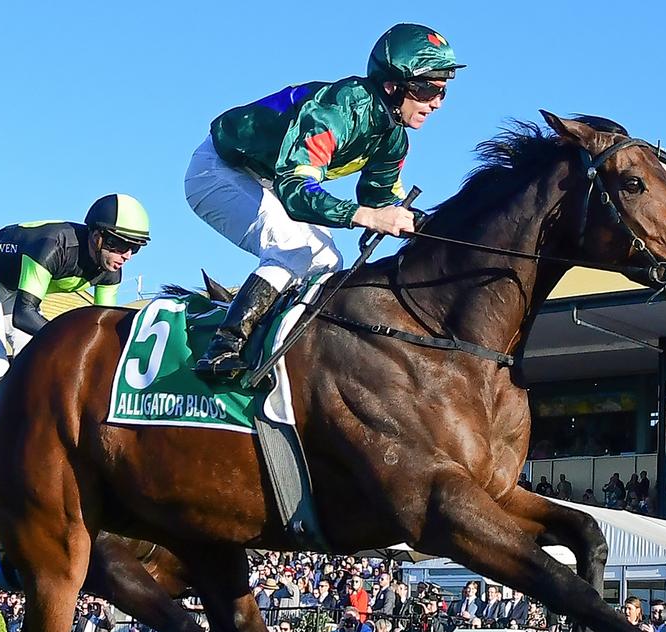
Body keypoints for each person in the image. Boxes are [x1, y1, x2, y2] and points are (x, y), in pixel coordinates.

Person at [184, 23, 463, 378]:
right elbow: (296, 192)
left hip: (269, 177)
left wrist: (430, 226)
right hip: (219, 168)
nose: (436, 102)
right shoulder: (334, 111)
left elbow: (382, 198)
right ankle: (223, 348)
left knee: (328, 262)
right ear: (393, 85)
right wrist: (367, 217)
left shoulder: (394, 138)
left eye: (443, 92)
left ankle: (281, 353)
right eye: (427, 89)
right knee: (293, 248)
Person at [0, 194, 148, 401]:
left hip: (15, 283)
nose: (125, 255)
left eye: (134, 247)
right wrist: (73, 342)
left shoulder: (111, 272)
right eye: (117, 243)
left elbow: (104, 330)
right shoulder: (54, 246)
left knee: (34, 360)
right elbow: (24, 315)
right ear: (95, 235)